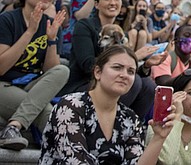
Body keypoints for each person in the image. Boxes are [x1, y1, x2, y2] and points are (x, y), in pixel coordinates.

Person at [40, 45, 174, 164]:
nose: (124, 75)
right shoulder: (71, 106)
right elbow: (75, 160)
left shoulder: (130, 119)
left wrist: (159, 137)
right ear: (98, 72)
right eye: (117, 68)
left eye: (131, 71)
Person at [61, 0, 161, 119]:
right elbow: (88, 65)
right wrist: (132, 58)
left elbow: (124, 69)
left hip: (111, 81)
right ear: (96, 4)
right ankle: (105, 125)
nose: (113, 2)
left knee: (149, 85)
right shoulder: (84, 26)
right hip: (84, 83)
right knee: (134, 81)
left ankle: (129, 128)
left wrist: (146, 65)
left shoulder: (120, 32)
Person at [0, 0, 69, 150]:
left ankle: (13, 126)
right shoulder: (7, 20)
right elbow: (1, 68)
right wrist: (30, 31)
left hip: (31, 85)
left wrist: (52, 39)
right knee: (46, 111)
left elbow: (51, 72)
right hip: (4, 83)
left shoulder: (52, 25)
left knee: (63, 70)